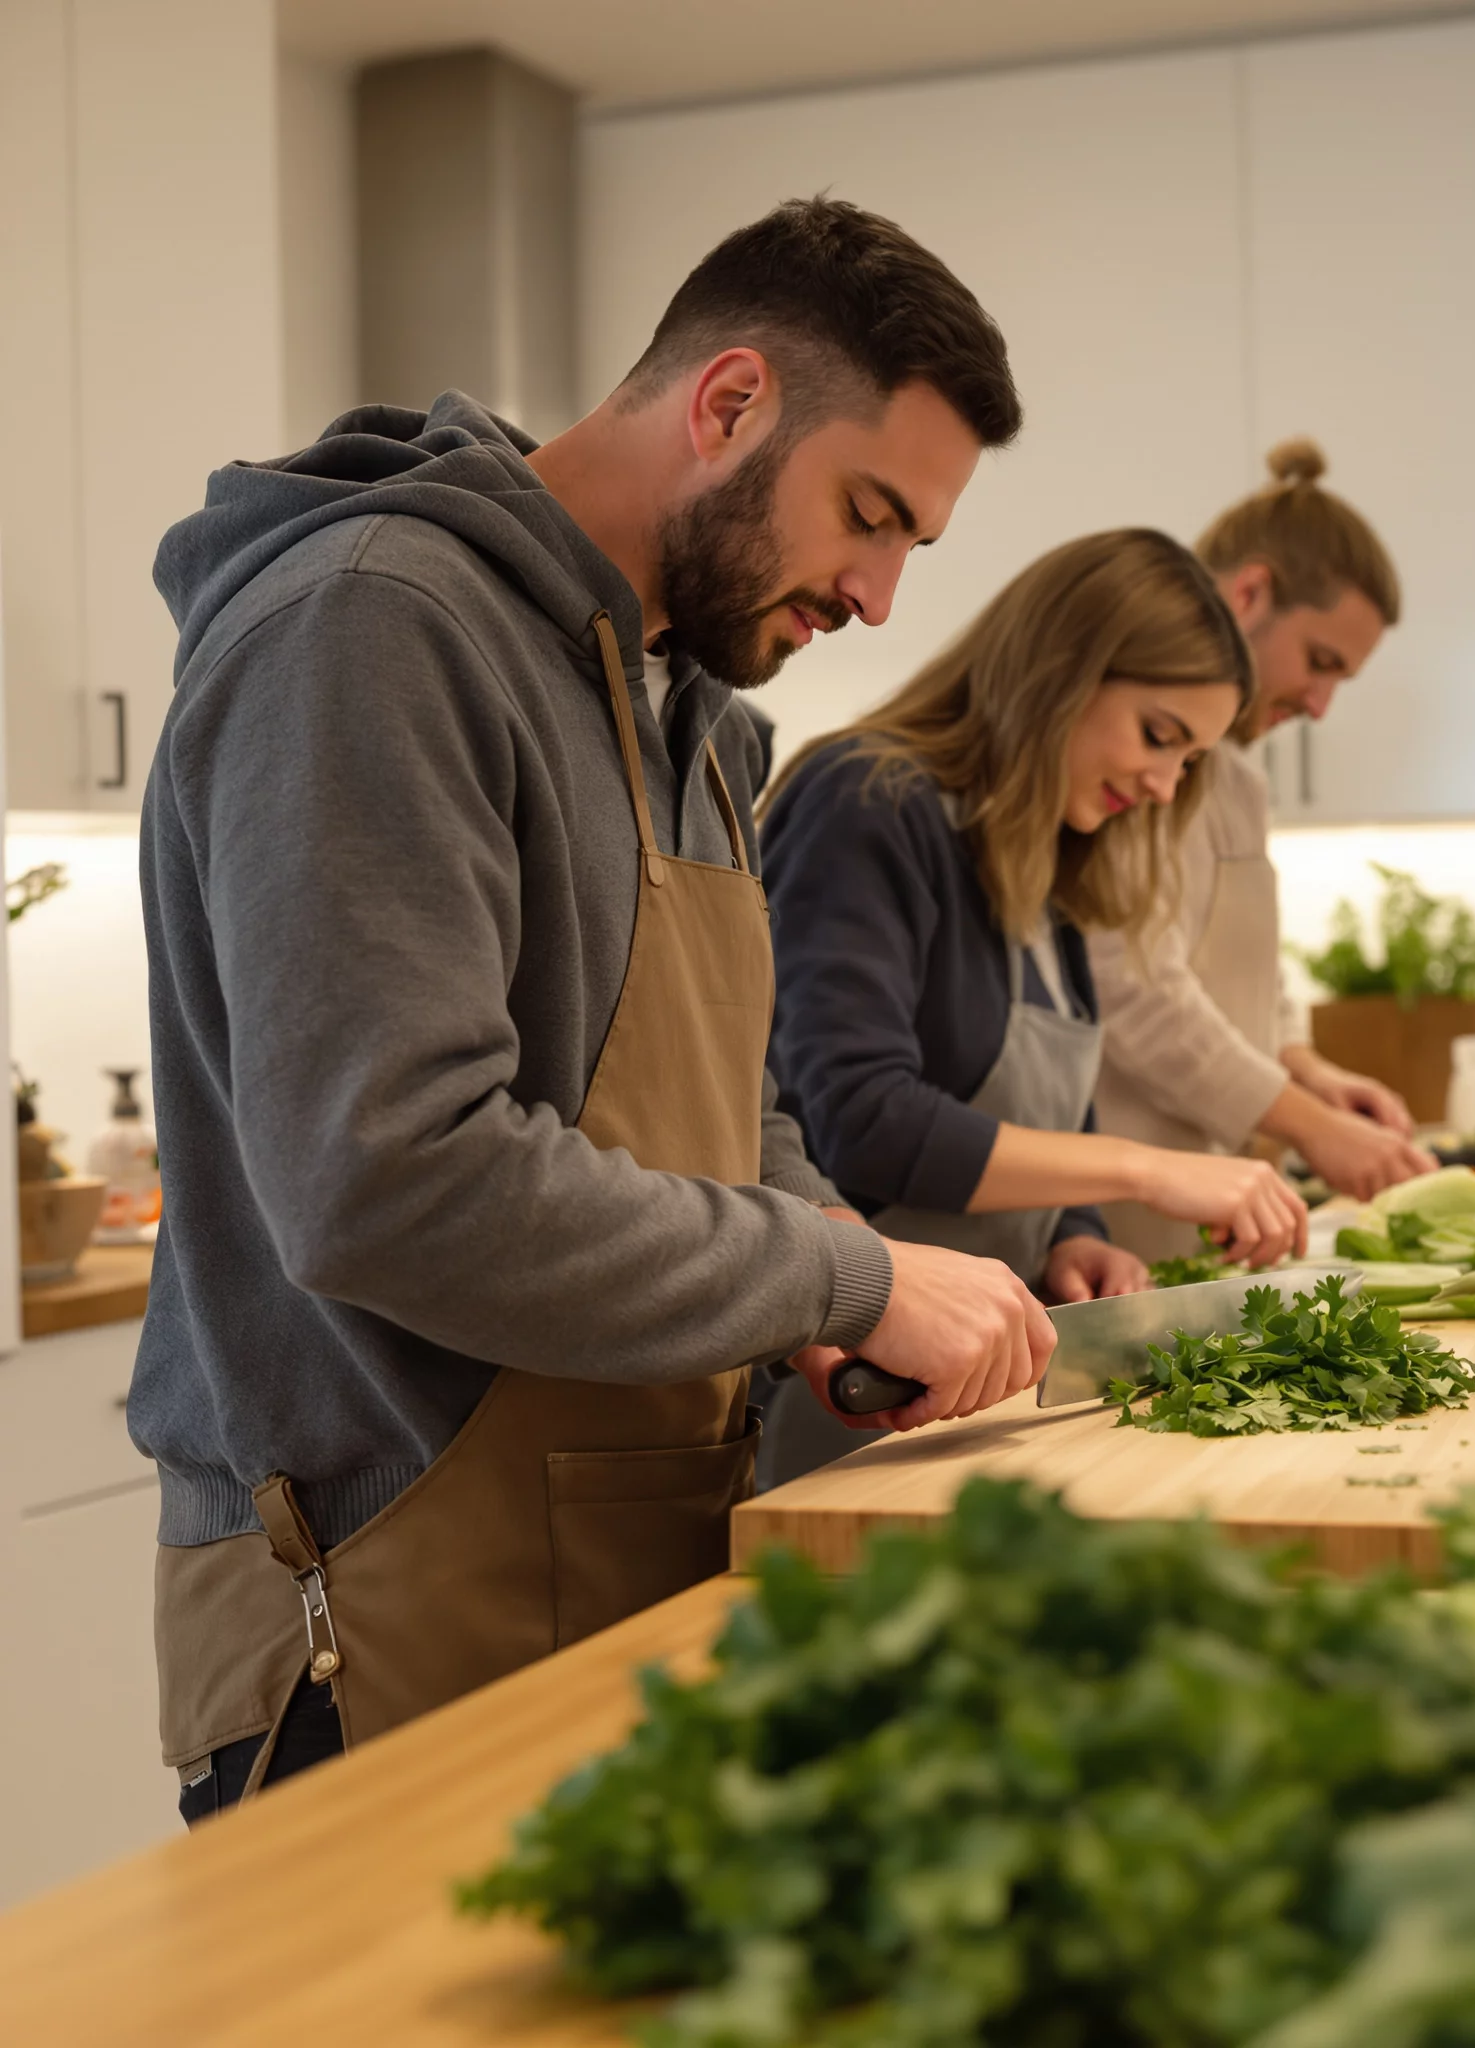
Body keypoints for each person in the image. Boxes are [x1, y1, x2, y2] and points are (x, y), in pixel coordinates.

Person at [134, 197, 1056, 1818]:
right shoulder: (373, 629)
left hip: (636, 1566)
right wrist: (851, 1266)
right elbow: (393, 1176)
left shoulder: (694, 709)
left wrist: (841, 1309)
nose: (878, 597)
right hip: (390, 1615)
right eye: (868, 515)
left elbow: (721, 1112)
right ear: (727, 403)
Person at [754, 532, 1309, 1479]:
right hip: (854, 1403)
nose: (1164, 784)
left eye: (1191, 762)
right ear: (1063, 671)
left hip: (985, 1397)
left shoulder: (1046, 853)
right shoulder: (867, 801)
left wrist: (1074, 1236)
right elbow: (859, 1119)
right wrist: (1145, 1172)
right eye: (1159, 737)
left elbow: (1050, 1111)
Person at [1088, 441, 1437, 1265]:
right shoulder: (1127, 760)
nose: (1320, 705)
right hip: (1124, 1224)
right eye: (1320, 663)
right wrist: (1312, 1128)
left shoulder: (1238, 778)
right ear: (1249, 594)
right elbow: (1135, 988)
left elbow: (1245, 976)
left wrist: (1308, 1069)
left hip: (1222, 1205)